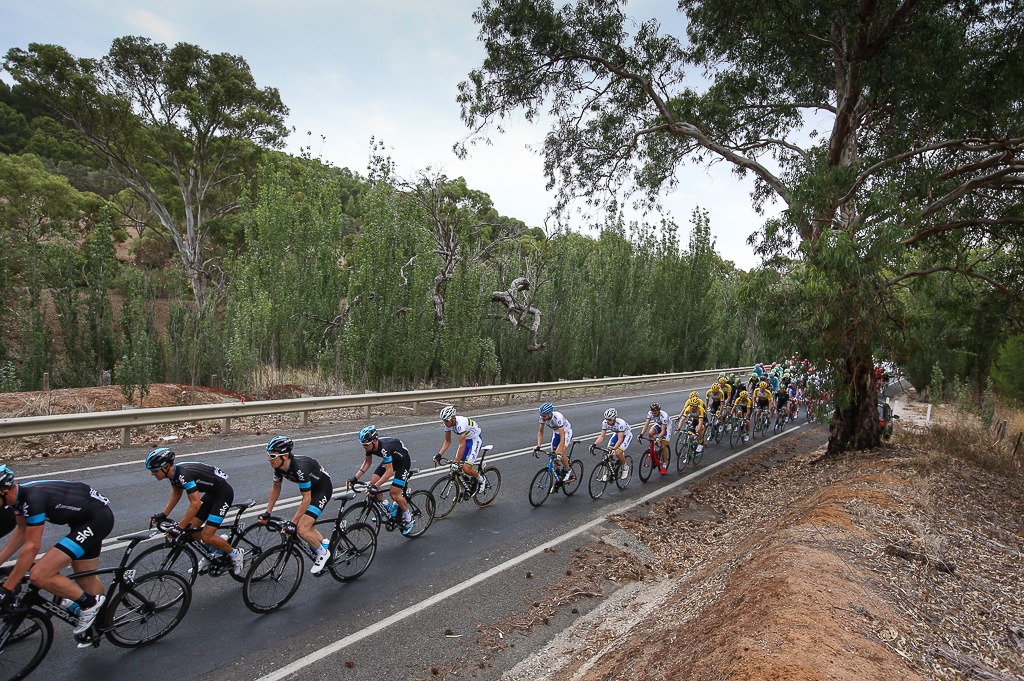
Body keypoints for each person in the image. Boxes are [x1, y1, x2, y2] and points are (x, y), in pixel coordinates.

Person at [0, 465, 114, 636]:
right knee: (85, 577)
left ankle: (89, 604)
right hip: (82, 520)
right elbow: (22, 532)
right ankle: (100, 621)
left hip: (97, 519)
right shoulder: (17, 498)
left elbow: (32, 547)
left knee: (39, 574)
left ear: (3, 491)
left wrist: (7, 589)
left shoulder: (33, 500)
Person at [145, 448, 245, 576]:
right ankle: (214, 552)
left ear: (166, 466)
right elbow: (176, 493)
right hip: (211, 494)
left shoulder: (183, 475)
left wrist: (179, 527)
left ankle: (235, 553)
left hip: (223, 494)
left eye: (154, 470)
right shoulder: (173, 474)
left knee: (207, 536)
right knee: (191, 530)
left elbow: (196, 504)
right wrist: (163, 514)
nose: (153, 474)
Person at [259, 436, 334, 575]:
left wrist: (293, 523)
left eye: (272, 456)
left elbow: (306, 499)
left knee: (301, 529)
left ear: (285, 456)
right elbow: (276, 488)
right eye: (268, 455)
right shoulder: (279, 467)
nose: (269, 459)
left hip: (322, 489)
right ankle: (323, 543)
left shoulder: (299, 468)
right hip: (312, 491)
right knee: (307, 527)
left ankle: (323, 554)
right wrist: (267, 512)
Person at [348, 426, 416, 536]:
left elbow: (389, 472)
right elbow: (367, 463)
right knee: (373, 481)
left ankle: (408, 518)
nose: (364, 447)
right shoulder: (370, 446)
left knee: (394, 493)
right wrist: (355, 478)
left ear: (374, 441)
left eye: (366, 445)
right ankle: (385, 506)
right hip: (390, 460)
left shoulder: (384, 448)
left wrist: (376, 486)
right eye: (362, 445)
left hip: (402, 461)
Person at [433, 406, 486, 496]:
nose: (445, 423)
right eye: (443, 420)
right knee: (455, 469)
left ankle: (481, 480)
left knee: (466, 468)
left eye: (446, 420)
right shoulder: (447, 424)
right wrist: (439, 454)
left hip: (474, 440)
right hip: (466, 441)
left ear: (453, 418)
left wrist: (456, 462)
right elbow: (447, 441)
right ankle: (462, 489)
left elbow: (462, 444)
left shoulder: (460, 423)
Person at [534, 402, 575, 481]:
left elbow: (562, 437)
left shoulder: (558, 417)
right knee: (553, 455)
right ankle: (558, 478)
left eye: (544, 416)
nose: (542, 417)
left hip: (566, 433)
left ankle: (568, 470)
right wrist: (538, 446)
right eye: (541, 415)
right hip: (556, 433)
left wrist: (560, 452)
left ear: (550, 414)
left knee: (559, 453)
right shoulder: (542, 417)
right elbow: (540, 432)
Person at [591, 408, 631, 479]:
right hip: (616, 434)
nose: (607, 421)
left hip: (626, 435)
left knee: (618, 453)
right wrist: (594, 444)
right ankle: (608, 468)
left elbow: (620, 439)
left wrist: (614, 449)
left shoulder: (621, 423)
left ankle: (625, 466)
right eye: (606, 419)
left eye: (609, 420)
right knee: (608, 451)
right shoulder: (605, 423)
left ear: (614, 418)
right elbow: (602, 436)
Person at [639, 403, 672, 474]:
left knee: (663, 446)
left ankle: (664, 465)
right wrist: (641, 434)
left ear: (659, 411)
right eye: (652, 413)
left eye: (655, 413)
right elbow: (646, 425)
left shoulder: (664, 416)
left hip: (666, 427)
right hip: (659, 424)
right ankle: (652, 449)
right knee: (650, 433)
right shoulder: (650, 413)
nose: (653, 414)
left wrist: (658, 437)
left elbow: (663, 431)